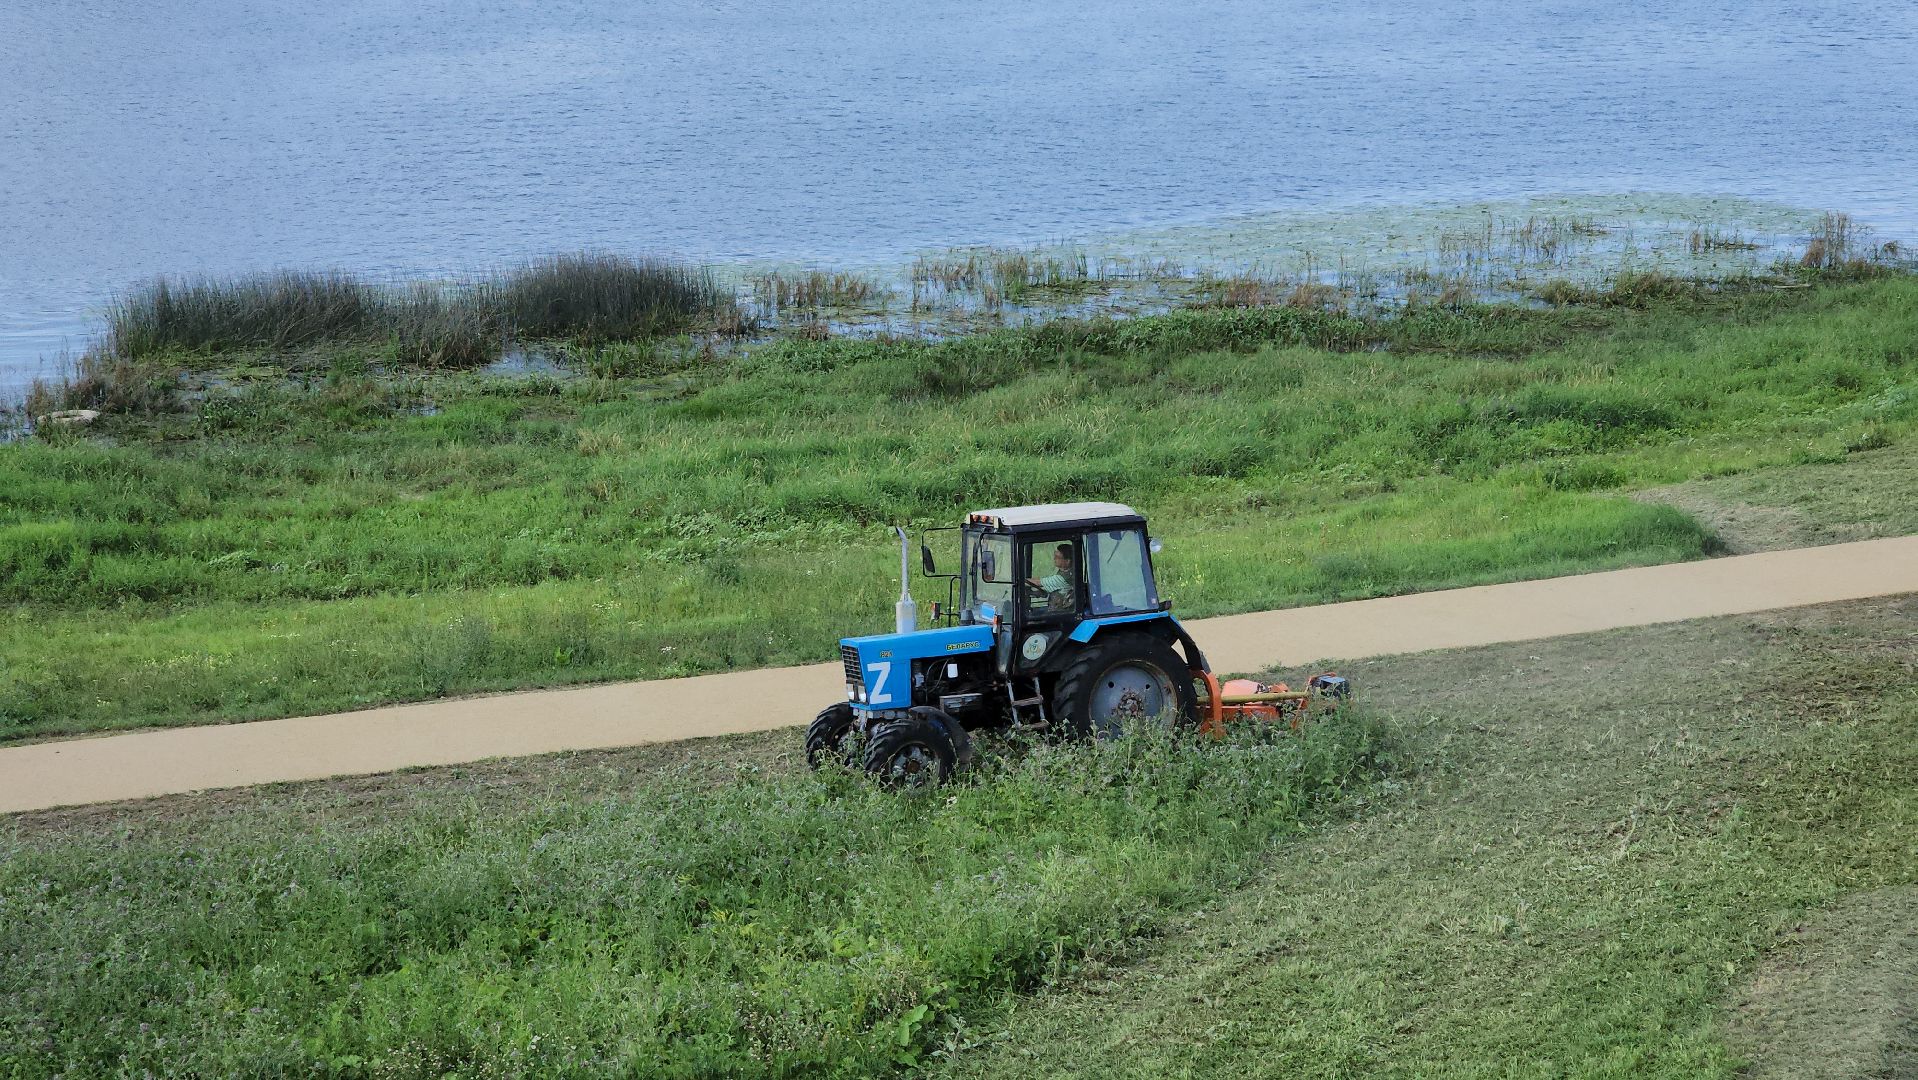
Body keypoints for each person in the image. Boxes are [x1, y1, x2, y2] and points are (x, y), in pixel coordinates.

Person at [1027, 543, 1077, 611]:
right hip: (1058, 607)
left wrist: (1019, 581)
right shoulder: (1068, 572)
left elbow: (1037, 582)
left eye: (1057, 557)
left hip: (1060, 612)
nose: (1054, 558)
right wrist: (1034, 593)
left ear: (1067, 561)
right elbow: (1053, 589)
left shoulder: (1063, 578)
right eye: (1055, 555)